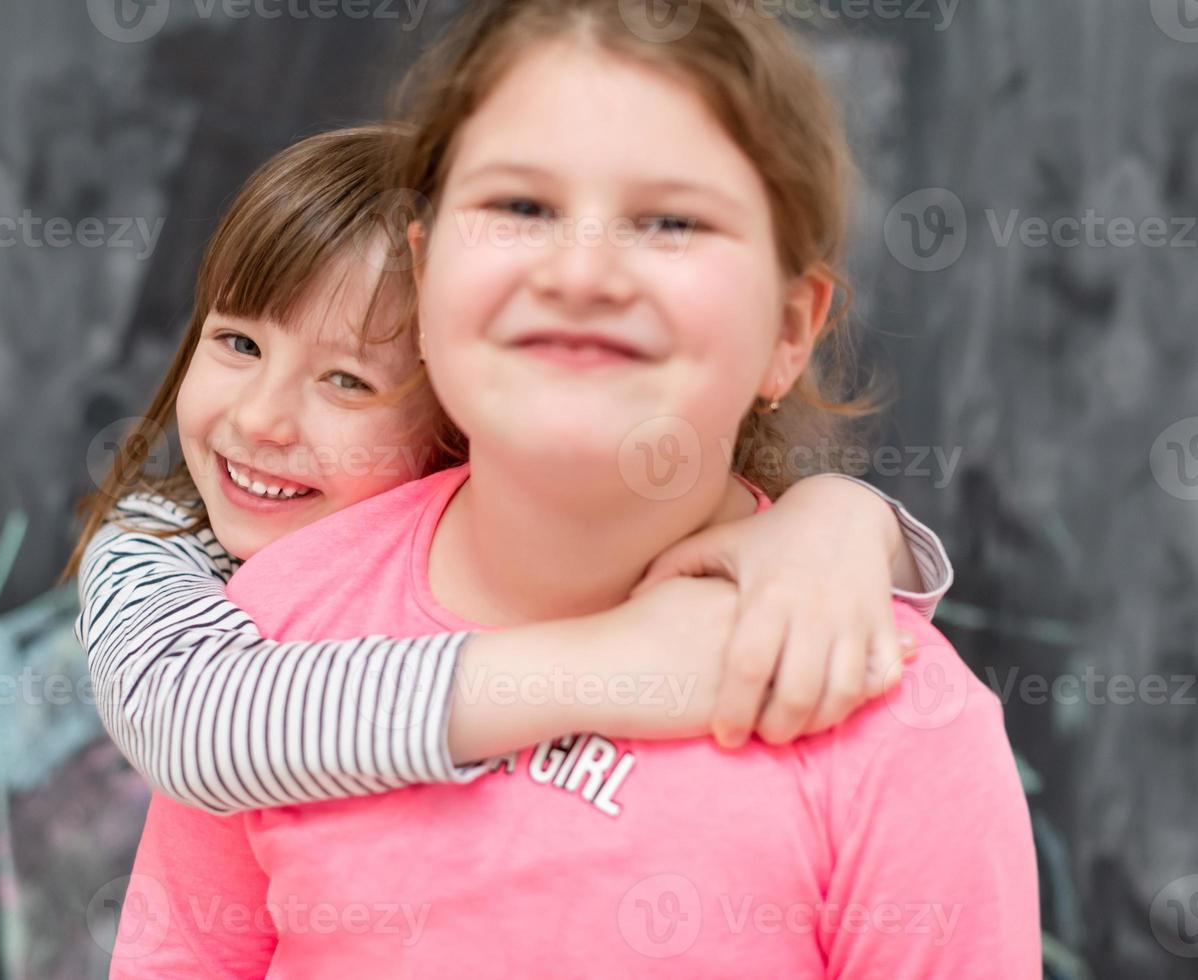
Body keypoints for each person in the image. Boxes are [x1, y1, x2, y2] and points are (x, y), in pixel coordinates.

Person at [109, 1, 1039, 975]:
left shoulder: (898, 723)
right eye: (520, 206)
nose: (582, 270)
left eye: (672, 220)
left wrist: (846, 514)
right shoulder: (269, 623)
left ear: (790, 330)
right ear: (426, 280)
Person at [65, 123, 953, 816]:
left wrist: (842, 520)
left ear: (464, 407)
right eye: (237, 341)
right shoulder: (159, 543)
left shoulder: (537, 544)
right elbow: (196, 722)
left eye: (346, 380)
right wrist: (613, 667)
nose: (258, 417)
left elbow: (849, 639)